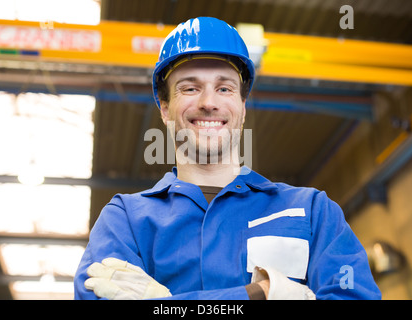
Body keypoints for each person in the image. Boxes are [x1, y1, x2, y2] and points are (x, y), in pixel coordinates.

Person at [74, 17, 381, 300]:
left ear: (242, 106)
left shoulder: (313, 212)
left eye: (224, 88)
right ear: (165, 108)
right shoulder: (125, 219)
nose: (209, 102)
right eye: (190, 88)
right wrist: (262, 293)